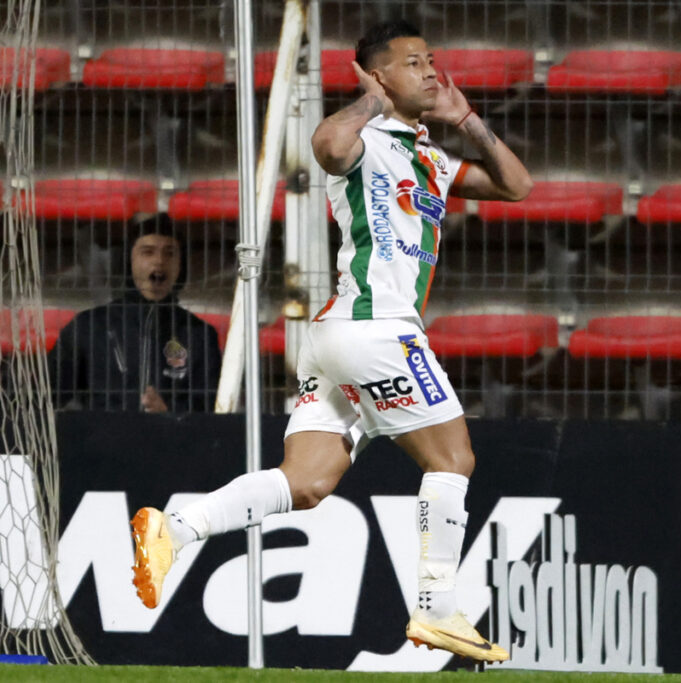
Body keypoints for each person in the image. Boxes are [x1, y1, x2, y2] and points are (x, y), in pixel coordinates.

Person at [130, 20, 531, 663]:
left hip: (340, 338)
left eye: (432, 60)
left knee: (308, 482)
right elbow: (325, 146)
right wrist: (373, 98)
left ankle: (176, 529)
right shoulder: (367, 137)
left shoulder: (430, 154)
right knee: (452, 461)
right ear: (379, 75)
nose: (431, 71)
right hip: (377, 328)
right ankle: (437, 610)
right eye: (413, 63)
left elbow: (517, 185)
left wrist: (469, 119)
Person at [48, 214, 222, 412]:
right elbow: (44, 397)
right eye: (147, 252)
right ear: (128, 261)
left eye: (170, 253)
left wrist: (169, 414)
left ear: (181, 266)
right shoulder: (89, 326)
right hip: (103, 441)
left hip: (171, 442)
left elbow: (211, 413)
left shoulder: (200, 335)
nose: (159, 261)